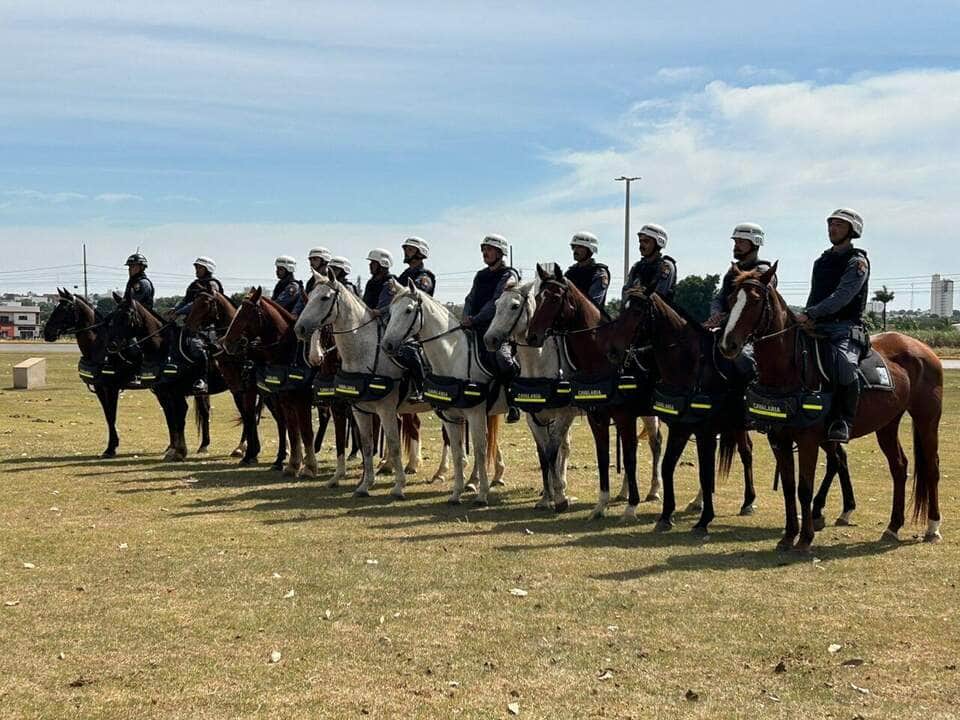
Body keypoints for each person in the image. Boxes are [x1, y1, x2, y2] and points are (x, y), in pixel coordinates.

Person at [796, 209, 870, 443]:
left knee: (846, 365)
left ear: (852, 230)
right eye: (831, 224)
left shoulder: (857, 262)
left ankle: (843, 421)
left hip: (845, 328)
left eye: (839, 225)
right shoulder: (821, 261)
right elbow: (814, 294)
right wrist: (805, 320)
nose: (833, 228)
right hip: (816, 326)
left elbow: (843, 296)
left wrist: (811, 313)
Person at [704, 223, 774, 384]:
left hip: (750, 332)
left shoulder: (763, 271)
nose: (736, 246)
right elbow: (719, 298)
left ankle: (751, 385)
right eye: (735, 242)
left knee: (741, 357)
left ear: (755, 243)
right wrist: (716, 314)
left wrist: (723, 319)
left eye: (741, 242)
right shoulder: (732, 272)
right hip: (726, 325)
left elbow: (752, 308)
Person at [463, 234, 521, 421]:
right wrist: (465, 318)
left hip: (498, 329)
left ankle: (513, 403)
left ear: (500, 252)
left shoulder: (508, 275)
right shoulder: (480, 275)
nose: (485, 253)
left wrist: (476, 319)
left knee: (503, 359)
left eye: (489, 249)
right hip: (475, 326)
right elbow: (470, 299)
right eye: (483, 249)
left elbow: (495, 301)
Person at [166, 256, 224, 393]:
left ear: (208, 269)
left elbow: (199, 303)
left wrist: (179, 312)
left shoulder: (212, 285)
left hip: (208, 327)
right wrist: (175, 309)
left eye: (200, 268)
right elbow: (186, 300)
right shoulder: (194, 284)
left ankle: (202, 380)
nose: (196, 270)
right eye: (196, 267)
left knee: (198, 348)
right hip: (192, 325)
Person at [393, 237, 437, 402]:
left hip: (418, 324)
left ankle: (421, 387)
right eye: (406, 249)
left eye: (410, 250)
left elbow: (417, 297)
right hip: (402, 322)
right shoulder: (404, 275)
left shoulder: (424, 277)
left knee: (409, 348)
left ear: (420, 253)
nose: (405, 252)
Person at [622, 224, 676, 305]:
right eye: (640, 241)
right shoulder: (637, 266)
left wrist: (637, 293)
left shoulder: (666, 266)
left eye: (646, 241)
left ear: (658, 243)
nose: (641, 245)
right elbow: (625, 293)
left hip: (658, 315)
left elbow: (658, 297)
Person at [563, 232, 610, 312]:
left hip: (592, 322)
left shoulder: (599, 273)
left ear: (590, 250)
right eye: (574, 247)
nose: (575, 250)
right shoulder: (570, 273)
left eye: (580, 247)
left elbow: (592, 305)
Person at [293, 247, 331, 316]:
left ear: (324, 261)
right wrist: (294, 314)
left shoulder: (332, 280)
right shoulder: (311, 282)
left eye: (315, 259)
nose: (311, 262)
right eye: (310, 259)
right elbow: (302, 302)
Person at [362, 248, 396, 314]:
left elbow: (395, 304)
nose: (370, 265)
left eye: (374, 263)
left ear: (383, 264)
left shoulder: (391, 281)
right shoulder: (371, 283)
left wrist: (380, 311)